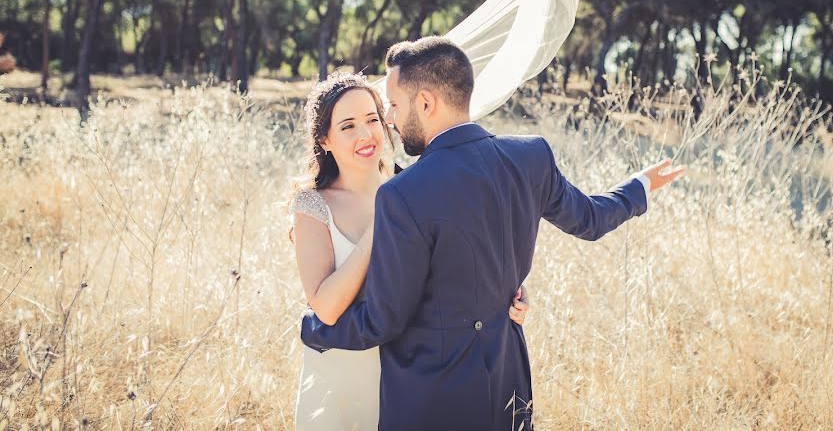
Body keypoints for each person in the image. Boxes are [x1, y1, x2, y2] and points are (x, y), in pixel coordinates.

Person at [301, 37, 686, 430]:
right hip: (508, 385)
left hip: (430, 402)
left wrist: (313, 328)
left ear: (427, 103)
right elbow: (590, 218)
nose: (391, 122)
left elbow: (384, 321)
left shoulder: (402, 192)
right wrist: (637, 186)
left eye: (394, 107)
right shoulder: (531, 156)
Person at [288, 72, 530, 430]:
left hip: (409, 375)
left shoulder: (414, 187)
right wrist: (380, 223)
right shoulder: (313, 206)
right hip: (341, 374)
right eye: (348, 126)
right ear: (324, 139)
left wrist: (509, 296)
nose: (366, 134)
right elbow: (325, 307)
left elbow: (456, 270)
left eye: (372, 119)